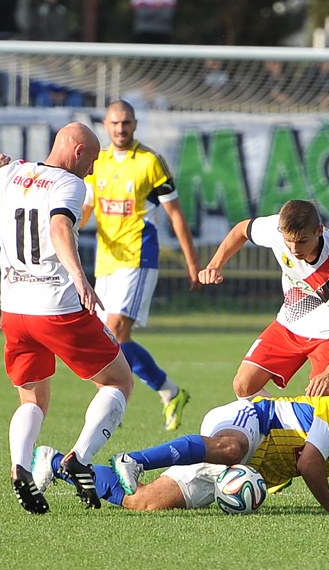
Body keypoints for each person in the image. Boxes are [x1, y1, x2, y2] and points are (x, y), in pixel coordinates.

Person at [0, 123, 135, 514]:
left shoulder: (9, 172)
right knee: (119, 380)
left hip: (15, 310)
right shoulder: (68, 184)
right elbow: (58, 226)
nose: (92, 169)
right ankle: (78, 459)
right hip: (57, 309)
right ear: (78, 150)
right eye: (93, 159)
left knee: (33, 398)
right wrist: (80, 277)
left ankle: (20, 467)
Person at [32, 394, 329, 514]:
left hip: (242, 470)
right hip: (252, 421)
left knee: (144, 503)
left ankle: (56, 463)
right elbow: (309, 463)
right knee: (231, 448)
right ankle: (134, 458)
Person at [81, 100, 200, 431]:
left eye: (127, 123)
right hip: (106, 261)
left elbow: (175, 214)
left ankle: (115, 401)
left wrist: (193, 263)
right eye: (115, 123)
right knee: (105, 340)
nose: (121, 129)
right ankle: (169, 392)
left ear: (135, 125)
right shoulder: (99, 162)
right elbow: (87, 208)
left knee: (117, 331)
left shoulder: (150, 162)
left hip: (139, 258)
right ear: (106, 125)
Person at [198, 199, 329, 400]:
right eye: (289, 240)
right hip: (289, 324)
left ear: (319, 231)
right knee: (243, 385)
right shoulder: (276, 229)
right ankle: (281, 422)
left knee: (324, 398)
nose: (294, 249)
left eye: (302, 241)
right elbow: (241, 230)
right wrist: (214, 266)